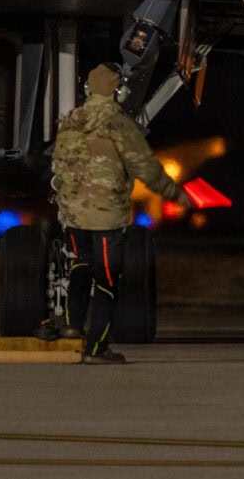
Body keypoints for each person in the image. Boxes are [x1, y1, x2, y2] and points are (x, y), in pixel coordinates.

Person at [49, 63, 186, 365]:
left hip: (73, 214)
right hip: (106, 216)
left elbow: (59, 166)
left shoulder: (70, 121)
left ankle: (72, 328)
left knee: (79, 268)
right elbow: (144, 166)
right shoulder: (117, 122)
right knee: (107, 282)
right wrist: (175, 193)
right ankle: (97, 349)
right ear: (118, 91)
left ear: (88, 89)